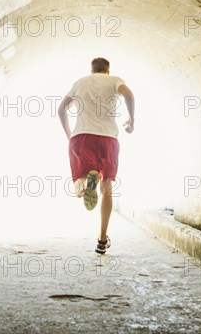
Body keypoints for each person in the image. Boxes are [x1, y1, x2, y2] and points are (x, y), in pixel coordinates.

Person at [57, 57, 135, 254]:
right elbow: (129, 95)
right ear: (108, 71)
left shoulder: (80, 82)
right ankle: (102, 240)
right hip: (108, 138)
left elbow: (61, 110)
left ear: (91, 70)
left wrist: (69, 134)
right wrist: (131, 119)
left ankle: (85, 183)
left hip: (81, 137)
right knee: (107, 184)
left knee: (83, 175)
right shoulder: (114, 80)